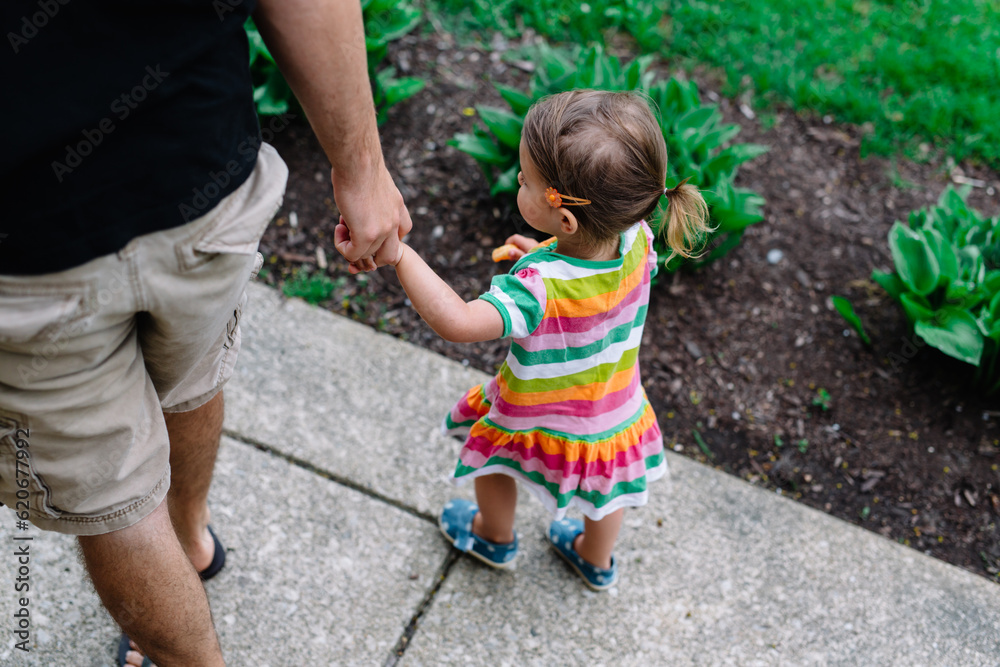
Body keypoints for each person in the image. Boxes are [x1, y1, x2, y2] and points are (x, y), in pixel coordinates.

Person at [0, 0, 411, 665]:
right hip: (200, 168)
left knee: (116, 502)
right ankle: (191, 539)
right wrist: (360, 168)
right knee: (190, 380)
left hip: (26, 251)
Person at [371, 89, 710, 590]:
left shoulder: (539, 289)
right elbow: (591, 283)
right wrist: (547, 250)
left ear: (567, 219)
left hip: (536, 414)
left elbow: (460, 322)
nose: (518, 181)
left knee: (494, 459)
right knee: (605, 493)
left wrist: (400, 255)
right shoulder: (637, 237)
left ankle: (493, 536)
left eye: (526, 180)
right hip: (614, 411)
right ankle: (594, 560)